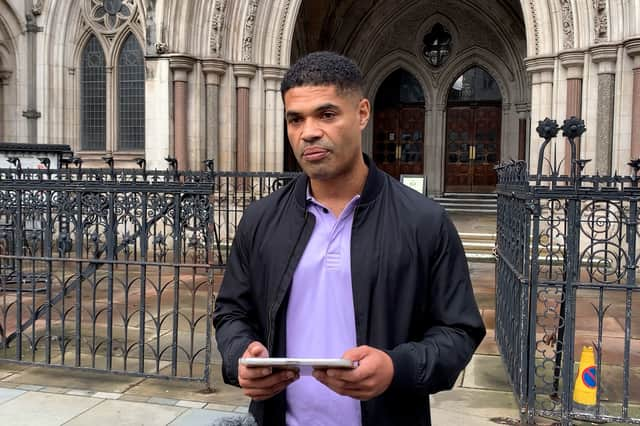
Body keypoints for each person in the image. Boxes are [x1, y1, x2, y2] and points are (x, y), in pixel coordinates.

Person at [213, 51, 485, 426]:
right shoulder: (261, 220)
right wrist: (239, 354)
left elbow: (459, 331)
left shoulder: (425, 222)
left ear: (361, 113)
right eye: (295, 119)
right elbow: (231, 313)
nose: (308, 131)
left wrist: (395, 368)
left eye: (326, 114)